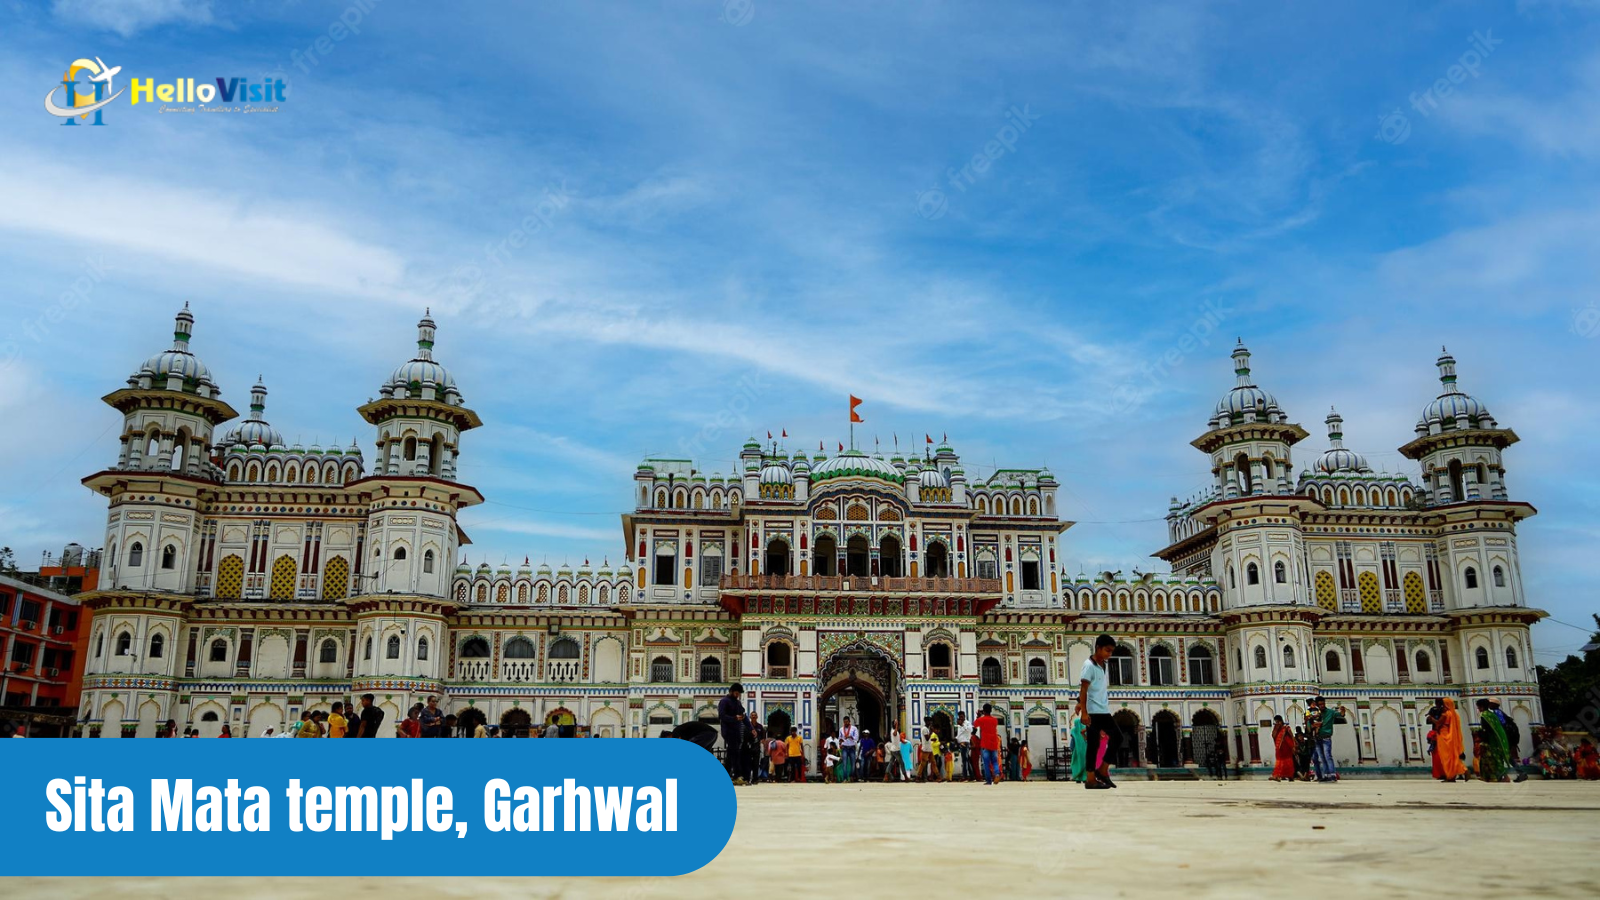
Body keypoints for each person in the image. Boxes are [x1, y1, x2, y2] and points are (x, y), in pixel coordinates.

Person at [1077, 634, 1118, 790]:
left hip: (1103, 710)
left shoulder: (1102, 665)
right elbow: (1084, 688)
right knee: (1093, 745)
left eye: (1111, 651)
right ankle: (1091, 779)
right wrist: (1084, 712)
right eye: (1107, 650)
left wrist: (1079, 703)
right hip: (1094, 711)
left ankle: (1102, 770)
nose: (1109, 654)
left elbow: (1094, 688)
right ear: (1098, 648)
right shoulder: (1089, 665)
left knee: (1117, 738)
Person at [1311, 697, 1347, 783]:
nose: (1322, 706)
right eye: (1320, 704)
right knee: (1322, 758)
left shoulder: (1330, 712)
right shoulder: (1315, 713)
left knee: (1328, 756)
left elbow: (1340, 715)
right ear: (1317, 705)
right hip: (1317, 738)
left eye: (1323, 704)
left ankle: (1333, 775)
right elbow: (1310, 723)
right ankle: (1327, 775)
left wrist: (1343, 711)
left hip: (1326, 737)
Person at [718, 683, 747, 784]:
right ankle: (737, 775)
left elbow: (743, 714)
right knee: (735, 752)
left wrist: (751, 728)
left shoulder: (737, 703)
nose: (738, 695)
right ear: (731, 691)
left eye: (739, 693)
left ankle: (725, 775)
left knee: (731, 753)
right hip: (728, 730)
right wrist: (734, 718)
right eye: (736, 693)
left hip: (736, 730)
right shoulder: (724, 701)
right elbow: (722, 716)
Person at [1475, 699, 1509, 782]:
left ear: (1482, 707)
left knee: (1492, 760)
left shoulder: (1484, 715)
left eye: (1478, 707)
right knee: (1496, 759)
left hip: (1490, 741)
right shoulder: (1492, 714)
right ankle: (1495, 777)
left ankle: (1500, 777)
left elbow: (1486, 729)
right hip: (1496, 740)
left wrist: (1483, 740)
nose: (1478, 709)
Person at [1436, 698, 1467, 783]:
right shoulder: (1455, 714)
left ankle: (1451, 775)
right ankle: (1457, 773)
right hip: (1452, 737)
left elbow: (1438, 723)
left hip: (1444, 736)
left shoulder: (1446, 714)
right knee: (1452, 756)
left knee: (1446, 757)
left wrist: (1431, 718)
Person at [1268, 716, 1295, 781]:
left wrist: (1294, 746)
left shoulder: (1286, 728)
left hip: (1286, 747)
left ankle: (1289, 775)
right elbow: (1273, 736)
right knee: (1280, 761)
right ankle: (1278, 775)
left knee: (1287, 761)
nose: (1277, 723)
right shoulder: (1276, 728)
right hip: (1279, 748)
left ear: (1281, 721)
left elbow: (1292, 736)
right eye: (1276, 722)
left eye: (1278, 721)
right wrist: (1276, 729)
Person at [838, 716, 859, 782]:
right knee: (844, 764)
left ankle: (851, 776)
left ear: (849, 721)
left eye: (847, 722)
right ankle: (845, 778)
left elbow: (856, 738)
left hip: (852, 747)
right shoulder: (841, 729)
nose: (846, 723)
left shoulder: (854, 728)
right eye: (844, 722)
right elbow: (839, 738)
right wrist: (840, 741)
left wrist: (850, 736)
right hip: (844, 747)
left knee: (853, 764)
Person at [955, 712, 974, 781]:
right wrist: (956, 739)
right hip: (961, 743)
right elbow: (959, 734)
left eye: (962, 716)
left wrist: (963, 725)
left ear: (964, 716)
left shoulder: (967, 723)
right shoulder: (959, 725)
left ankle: (965, 776)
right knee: (967, 760)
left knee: (965, 760)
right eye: (959, 717)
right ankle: (971, 776)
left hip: (965, 743)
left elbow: (970, 730)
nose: (961, 718)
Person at [1069, 716, 1087, 783]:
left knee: (1076, 764)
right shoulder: (1084, 730)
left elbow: (1072, 743)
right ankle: (1085, 778)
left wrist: (1072, 749)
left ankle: (1077, 778)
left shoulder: (1074, 731)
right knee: (1085, 764)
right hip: (1085, 751)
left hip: (1076, 752)